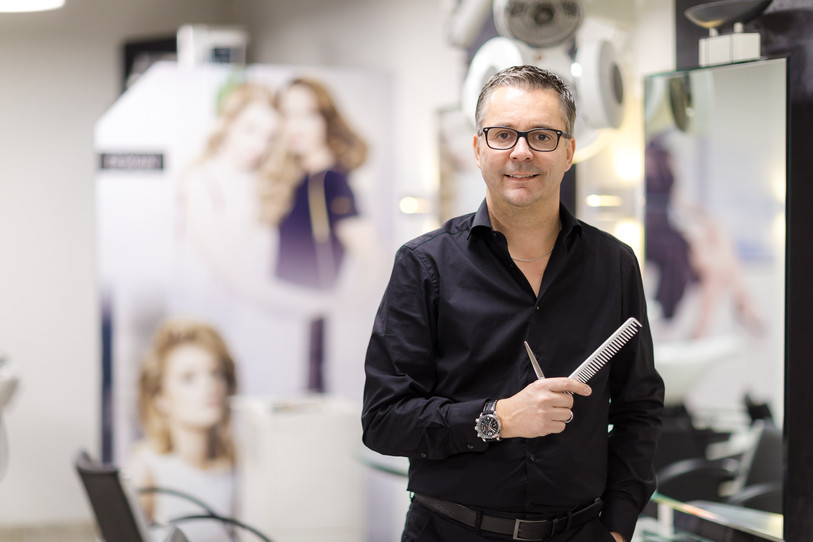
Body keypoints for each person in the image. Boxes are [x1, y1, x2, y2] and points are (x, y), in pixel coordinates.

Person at [361, 65, 664, 542]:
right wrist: (497, 418)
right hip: (451, 532)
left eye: (542, 136)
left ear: (569, 151)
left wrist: (618, 526)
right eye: (503, 135)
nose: (521, 152)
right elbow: (383, 420)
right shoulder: (424, 265)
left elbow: (639, 409)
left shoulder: (614, 263)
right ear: (478, 148)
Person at [267, 76, 386, 392]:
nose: (295, 126)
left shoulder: (330, 181)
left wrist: (345, 308)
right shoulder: (298, 177)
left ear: (325, 120)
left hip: (308, 329)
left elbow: (374, 258)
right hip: (285, 323)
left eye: (306, 115)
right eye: (287, 114)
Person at [126, 318, 238, 542]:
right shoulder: (146, 475)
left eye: (216, 373)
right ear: (160, 397)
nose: (209, 386)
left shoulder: (239, 468)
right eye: (189, 378)